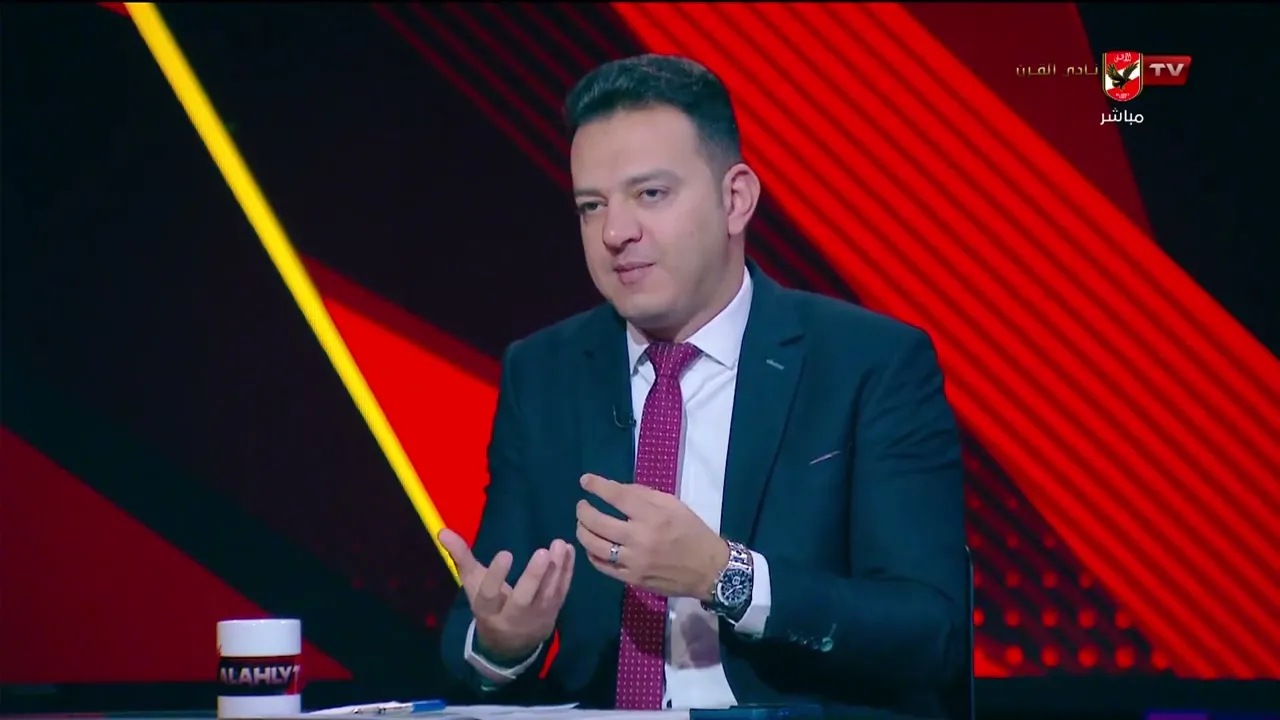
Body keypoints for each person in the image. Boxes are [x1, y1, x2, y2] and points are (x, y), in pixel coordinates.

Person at [438, 53, 967, 718]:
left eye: (650, 194)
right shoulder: (542, 373)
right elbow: (483, 619)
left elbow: (931, 632)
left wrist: (725, 575)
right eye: (591, 206)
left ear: (735, 199)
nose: (615, 233)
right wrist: (503, 643)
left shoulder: (868, 363)